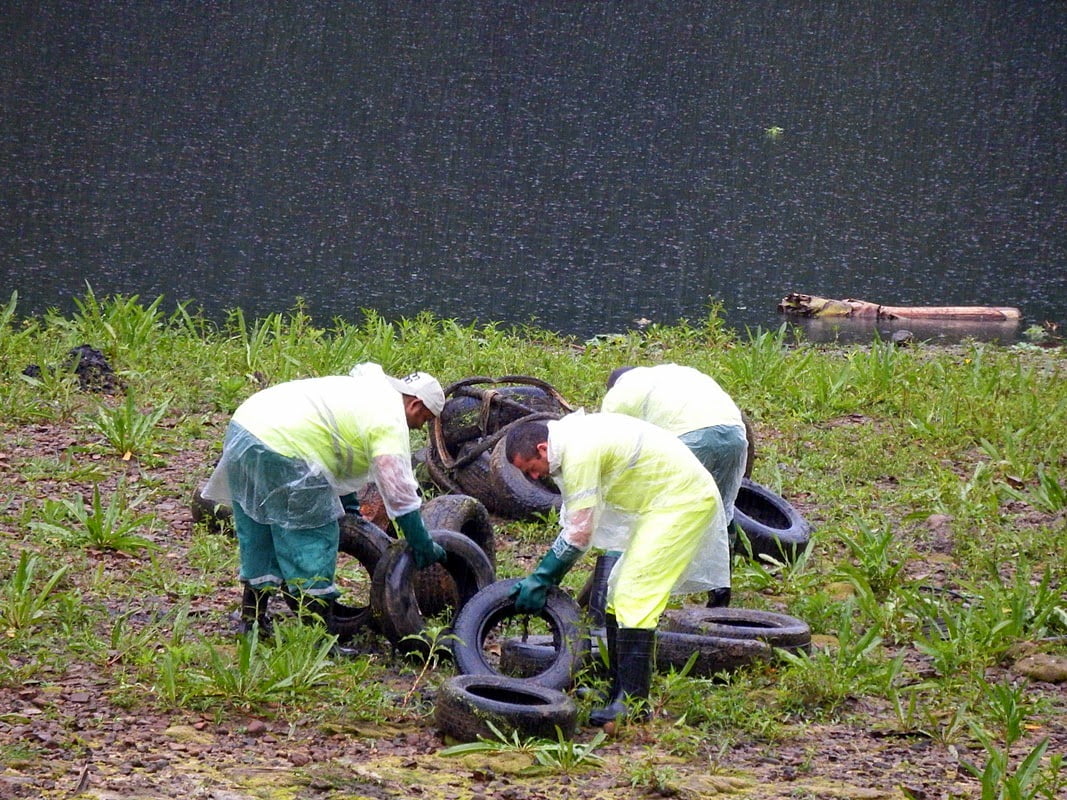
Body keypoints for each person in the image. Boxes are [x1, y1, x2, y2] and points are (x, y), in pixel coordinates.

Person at [506, 413, 729, 726]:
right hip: (661, 505)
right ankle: (616, 690)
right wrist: (544, 575)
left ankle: (633, 703)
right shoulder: (570, 442)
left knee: (635, 594)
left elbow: (579, 533)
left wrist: (542, 578)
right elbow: (576, 525)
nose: (533, 477)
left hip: (682, 503)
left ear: (542, 449)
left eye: (531, 468)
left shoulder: (577, 450)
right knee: (615, 589)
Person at [201, 362, 447, 638]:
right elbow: (399, 494)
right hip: (284, 447)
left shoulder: (369, 392)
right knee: (314, 538)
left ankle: (251, 621)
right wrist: (421, 542)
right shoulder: (389, 421)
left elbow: (336, 443)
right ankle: (318, 638)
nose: (419, 427)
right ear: (415, 405)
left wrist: (350, 507)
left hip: (245, 428)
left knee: (261, 530)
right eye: (424, 419)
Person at [600, 363, 748, 608]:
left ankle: (624, 595)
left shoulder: (619, 394)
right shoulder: (674, 373)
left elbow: (611, 446)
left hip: (691, 437)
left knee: (660, 513)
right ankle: (721, 592)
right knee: (722, 511)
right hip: (734, 436)